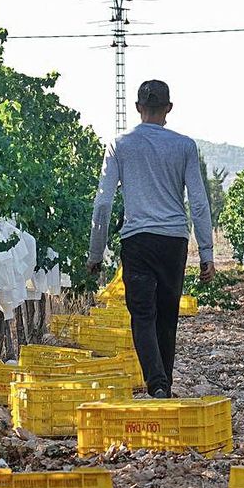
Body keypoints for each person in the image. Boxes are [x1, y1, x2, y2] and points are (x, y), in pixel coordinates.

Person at [87, 79, 215, 399]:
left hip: (137, 240)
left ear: (137, 108)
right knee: (167, 314)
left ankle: (156, 382)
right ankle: (163, 384)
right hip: (173, 240)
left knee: (142, 314)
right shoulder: (185, 146)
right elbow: (197, 202)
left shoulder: (120, 144)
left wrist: (96, 252)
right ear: (169, 109)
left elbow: (103, 202)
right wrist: (207, 253)